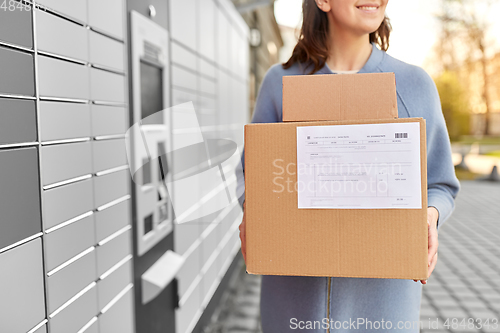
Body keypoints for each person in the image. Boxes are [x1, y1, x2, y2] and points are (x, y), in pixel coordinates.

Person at [235, 0, 460, 332]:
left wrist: (430, 214)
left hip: (381, 309)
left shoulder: (414, 84)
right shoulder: (280, 82)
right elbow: (252, 175)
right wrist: (253, 211)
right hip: (293, 307)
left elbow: (441, 183)